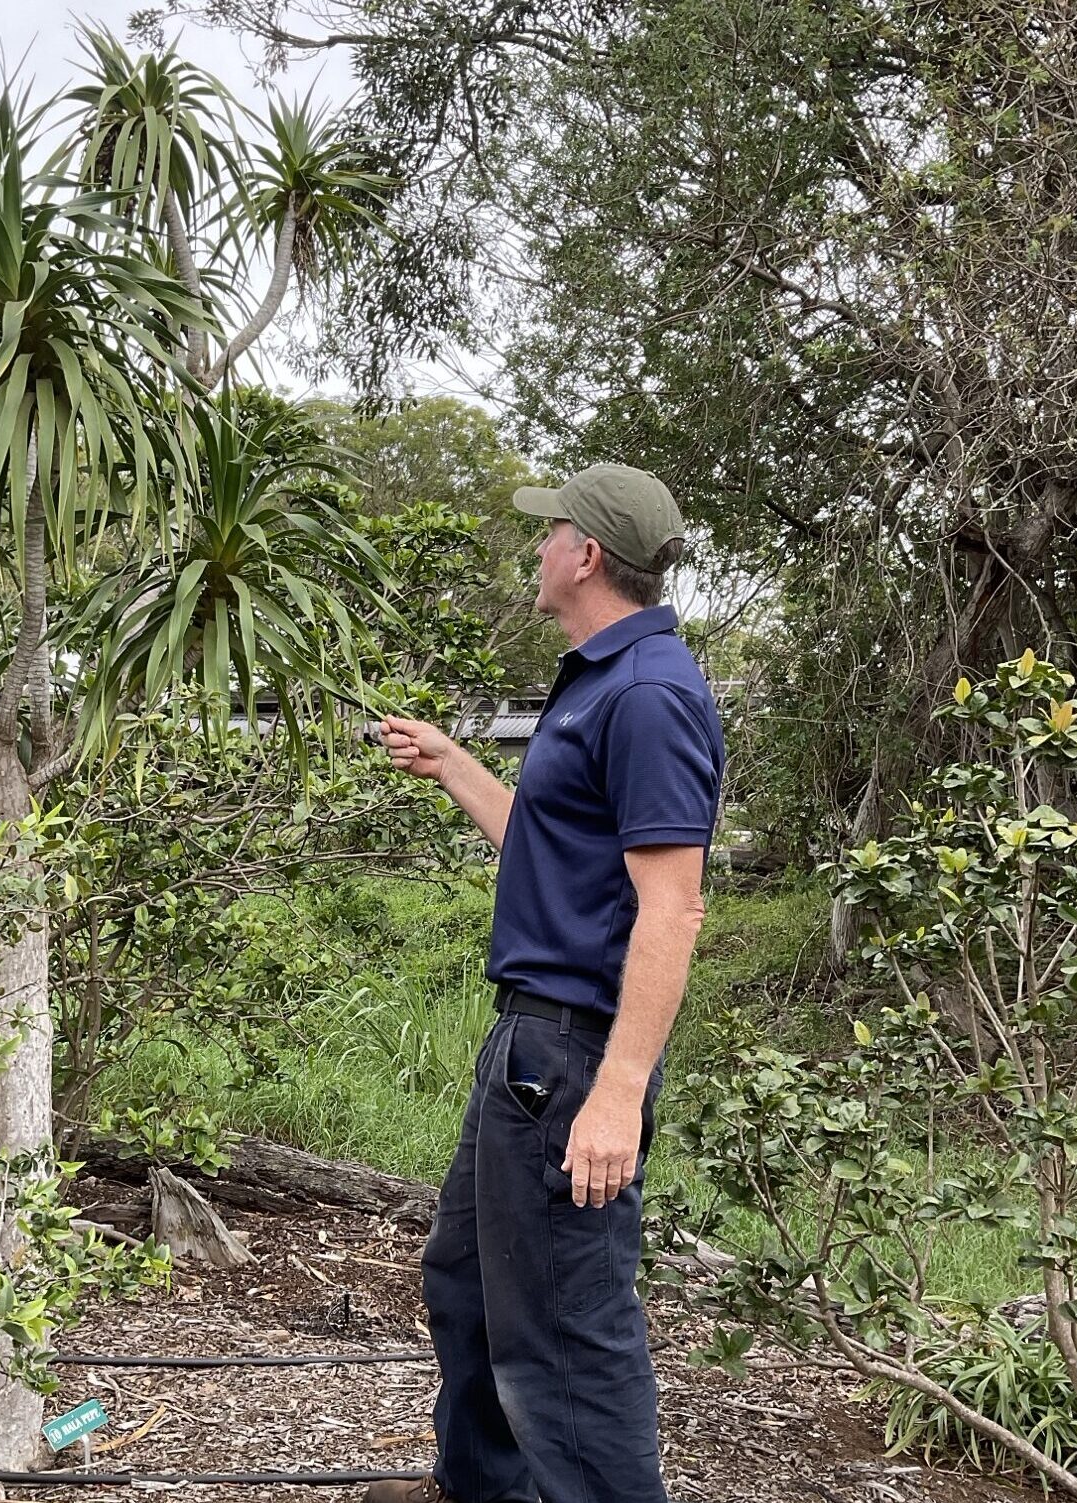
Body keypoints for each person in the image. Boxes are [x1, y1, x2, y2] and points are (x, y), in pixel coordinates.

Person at [367, 464, 725, 1503]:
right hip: (528, 1045)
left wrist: (616, 1093)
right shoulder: (600, 680)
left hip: (575, 1058)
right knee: (469, 1286)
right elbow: (550, 844)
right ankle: (479, 1486)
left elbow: (675, 908)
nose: (536, 548)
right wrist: (451, 764)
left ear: (589, 556)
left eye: (549, 532)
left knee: (568, 1333)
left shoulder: (650, 695)